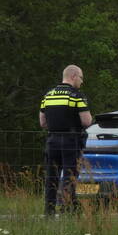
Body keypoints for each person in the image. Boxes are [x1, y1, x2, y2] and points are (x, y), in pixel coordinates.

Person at [39, 65, 92, 215]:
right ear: (74, 76)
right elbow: (87, 121)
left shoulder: (48, 95)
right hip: (71, 140)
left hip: (52, 139)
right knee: (70, 175)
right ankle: (67, 208)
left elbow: (42, 123)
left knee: (51, 176)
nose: (82, 82)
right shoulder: (76, 95)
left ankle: (48, 210)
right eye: (81, 78)